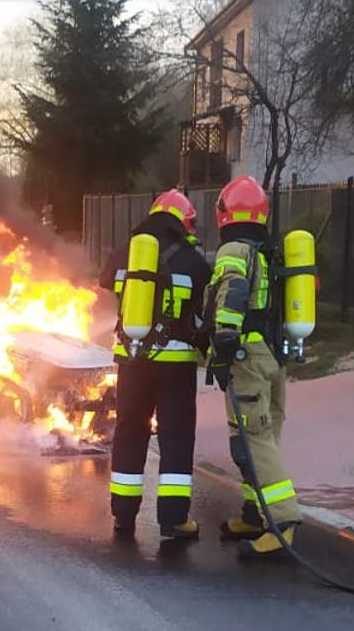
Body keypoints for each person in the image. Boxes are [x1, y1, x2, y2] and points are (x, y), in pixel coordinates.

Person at [99, 189, 211, 539]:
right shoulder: (193, 259)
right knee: (175, 436)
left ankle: (123, 514)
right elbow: (202, 301)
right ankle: (173, 519)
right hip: (176, 363)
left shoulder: (126, 252)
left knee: (130, 431)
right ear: (183, 222)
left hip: (133, 360)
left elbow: (106, 280)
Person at [205, 175, 302, 558]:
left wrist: (224, 337)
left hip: (247, 355)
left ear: (225, 213)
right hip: (273, 356)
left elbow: (233, 288)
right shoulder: (269, 249)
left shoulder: (233, 249)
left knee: (252, 440)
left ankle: (282, 522)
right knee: (264, 436)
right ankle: (255, 512)